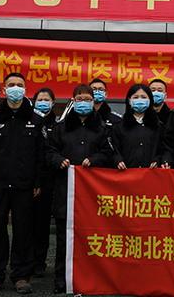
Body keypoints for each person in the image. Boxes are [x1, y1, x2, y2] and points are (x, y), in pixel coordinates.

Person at [0, 73, 44, 295]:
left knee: (23, 230)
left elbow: (40, 156)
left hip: (25, 185)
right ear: (4, 90)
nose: (16, 88)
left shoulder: (36, 119)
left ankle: (21, 275)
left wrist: (37, 181)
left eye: (20, 85)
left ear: (26, 89)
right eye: (11, 85)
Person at [45, 84, 113, 295]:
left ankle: (90, 277)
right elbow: (49, 151)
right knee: (64, 238)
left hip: (92, 194)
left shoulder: (102, 128)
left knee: (90, 238)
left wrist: (94, 160)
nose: (84, 103)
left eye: (87, 99)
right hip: (66, 190)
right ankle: (61, 279)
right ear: (73, 101)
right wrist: (58, 160)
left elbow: (108, 153)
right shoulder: (61, 127)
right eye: (80, 99)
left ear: (94, 102)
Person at [32, 88, 60, 278]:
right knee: (33, 224)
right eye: (40, 99)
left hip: (54, 180)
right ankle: (32, 261)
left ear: (53, 102)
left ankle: (43, 262)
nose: (43, 102)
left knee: (48, 225)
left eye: (46, 99)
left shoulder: (59, 124)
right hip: (34, 181)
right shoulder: (31, 122)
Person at [111, 84, 163, 169]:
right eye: (136, 97)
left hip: (150, 173)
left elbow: (163, 150)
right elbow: (113, 150)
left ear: (150, 101)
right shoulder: (119, 126)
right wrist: (118, 160)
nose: (140, 100)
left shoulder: (157, 126)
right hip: (126, 173)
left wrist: (157, 160)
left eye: (143, 97)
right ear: (129, 100)